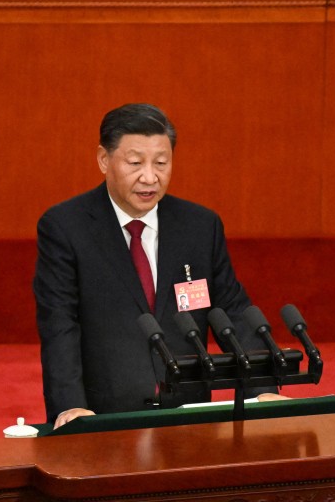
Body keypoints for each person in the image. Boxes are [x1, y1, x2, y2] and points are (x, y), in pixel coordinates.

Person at [34, 104, 268, 427]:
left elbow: (233, 312)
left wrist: (263, 390)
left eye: (161, 163)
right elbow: (60, 325)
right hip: (105, 421)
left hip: (187, 421)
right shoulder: (66, 228)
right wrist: (70, 406)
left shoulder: (200, 227)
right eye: (135, 163)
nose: (150, 177)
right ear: (104, 160)